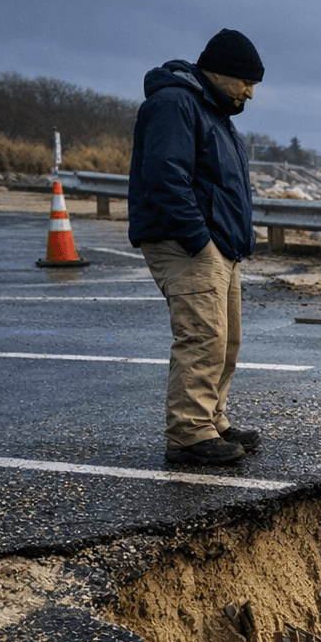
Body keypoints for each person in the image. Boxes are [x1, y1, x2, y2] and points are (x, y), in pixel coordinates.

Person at [128, 29, 265, 465]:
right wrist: (198, 239)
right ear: (219, 73)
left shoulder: (213, 111)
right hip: (186, 243)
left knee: (226, 340)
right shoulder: (175, 104)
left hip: (220, 245)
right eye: (246, 81)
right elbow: (166, 177)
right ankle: (189, 433)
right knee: (202, 336)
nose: (251, 93)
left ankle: (212, 420)